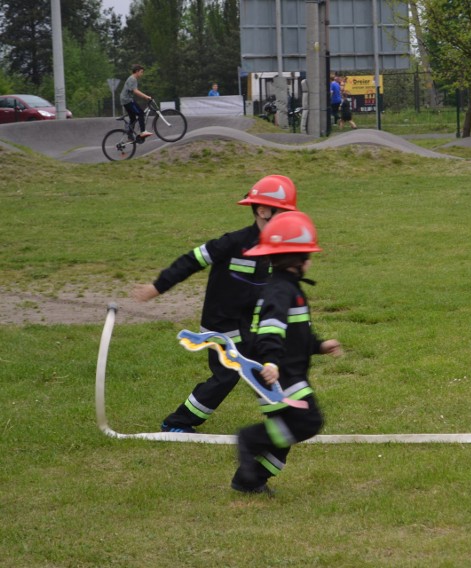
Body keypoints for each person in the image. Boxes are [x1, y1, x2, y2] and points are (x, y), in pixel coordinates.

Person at [132, 175, 299, 433]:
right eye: (283, 213)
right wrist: (157, 287)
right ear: (263, 211)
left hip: (250, 324)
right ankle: (177, 422)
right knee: (228, 374)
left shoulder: (281, 251)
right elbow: (191, 261)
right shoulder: (232, 243)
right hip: (220, 324)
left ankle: (279, 420)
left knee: (265, 367)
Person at [231, 211, 342, 494]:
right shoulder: (280, 290)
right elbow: (270, 330)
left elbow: (295, 334)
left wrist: (319, 346)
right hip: (276, 374)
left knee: (284, 435)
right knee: (308, 421)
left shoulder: (289, 287)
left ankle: (249, 480)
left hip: (281, 371)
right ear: (298, 258)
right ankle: (249, 439)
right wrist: (270, 362)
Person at [120, 64, 153, 138]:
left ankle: (130, 136)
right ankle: (143, 132)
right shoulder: (133, 79)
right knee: (141, 113)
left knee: (133, 118)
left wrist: (144, 97)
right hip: (127, 100)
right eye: (141, 72)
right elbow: (135, 91)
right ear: (137, 71)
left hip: (125, 100)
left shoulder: (133, 79)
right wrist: (146, 97)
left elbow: (135, 91)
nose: (142, 74)